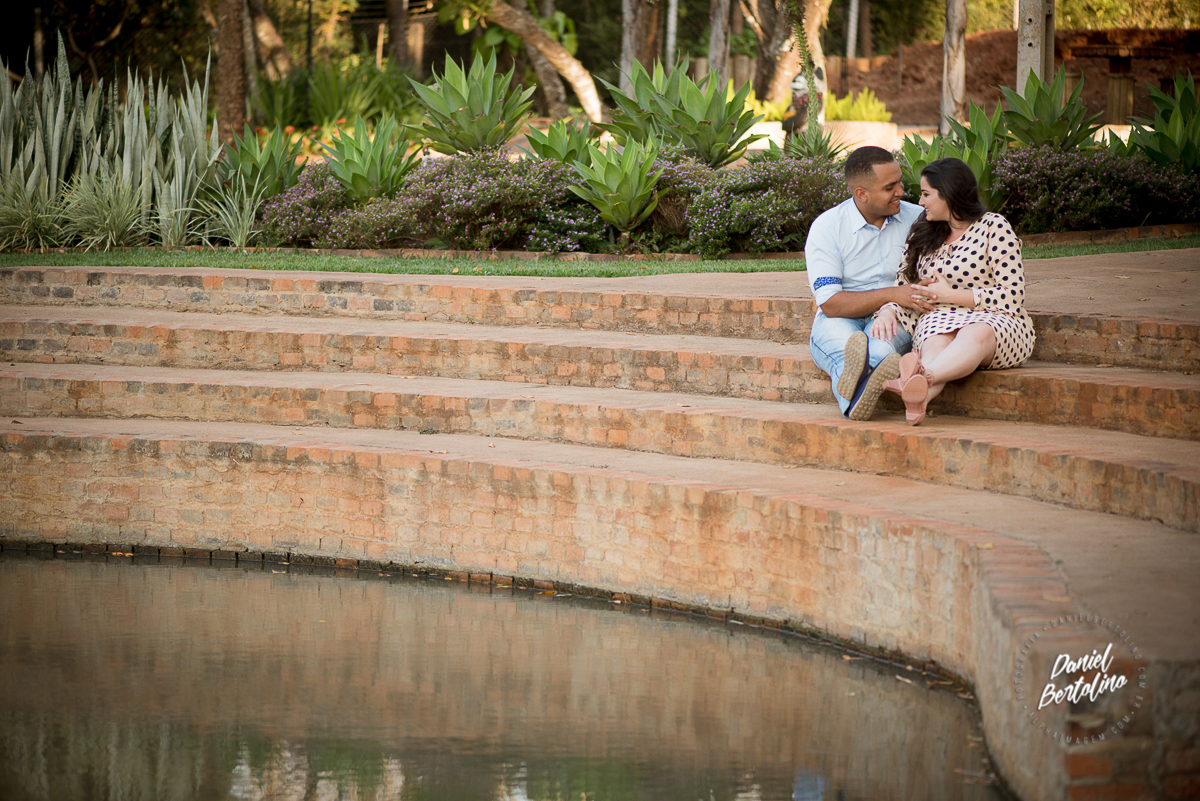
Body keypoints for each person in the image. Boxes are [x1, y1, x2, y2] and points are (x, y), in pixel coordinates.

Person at [871, 157, 1035, 425]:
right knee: (935, 343)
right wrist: (888, 310)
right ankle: (917, 398)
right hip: (938, 319)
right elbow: (905, 286)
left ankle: (921, 379)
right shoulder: (922, 233)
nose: (920, 202)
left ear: (948, 194)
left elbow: (1013, 295)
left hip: (994, 320)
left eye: (926, 194)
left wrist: (952, 296)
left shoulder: (994, 227)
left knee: (975, 332)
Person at [804, 146, 937, 420]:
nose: (901, 191)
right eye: (890, 187)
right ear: (861, 194)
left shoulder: (918, 219)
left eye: (899, 181)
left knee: (879, 352)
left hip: (896, 314)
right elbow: (830, 303)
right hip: (841, 317)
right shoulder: (827, 227)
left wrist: (895, 302)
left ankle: (851, 404)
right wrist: (893, 294)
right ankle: (858, 396)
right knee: (846, 350)